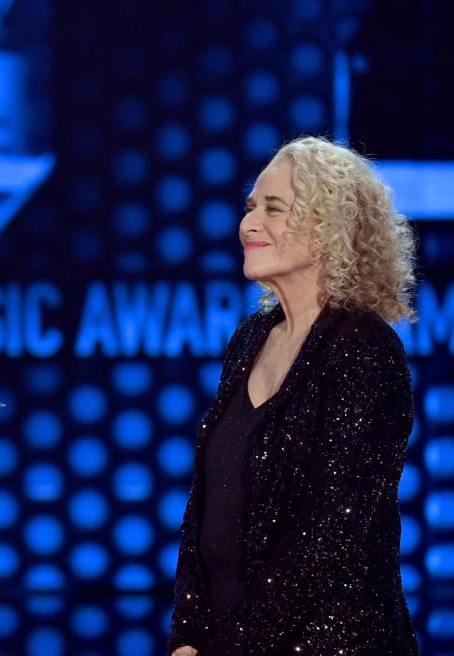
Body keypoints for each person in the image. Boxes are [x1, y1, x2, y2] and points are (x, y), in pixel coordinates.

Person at [168, 136, 419, 655]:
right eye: (250, 206)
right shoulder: (251, 338)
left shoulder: (363, 351)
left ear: (327, 230)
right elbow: (206, 504)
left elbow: (327, 539)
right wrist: (188, 635)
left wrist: (227, 648)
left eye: (273, 208)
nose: (248, 223)